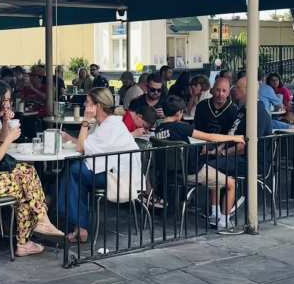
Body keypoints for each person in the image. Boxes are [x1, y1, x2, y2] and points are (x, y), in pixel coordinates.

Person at [0, 80, 63, 256]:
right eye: (7, 99)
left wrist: (5, 122)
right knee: (27, 175)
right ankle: (29, 235)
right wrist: (11, 137)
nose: (9, 103)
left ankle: (35, 230)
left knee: (25, 178)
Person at [58, 88, 140, 243]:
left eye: (88, 102)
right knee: (74, 171)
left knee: (74, 171)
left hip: (119, 177)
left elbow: (82, 148)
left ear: (99, 105)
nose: (84, 104)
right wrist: (71, 138)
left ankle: (74, 222)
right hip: (110, 169)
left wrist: (85, 122)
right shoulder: (104, 123)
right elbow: (88, 145)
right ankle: (79, 226)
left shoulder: (111, 125)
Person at [153, 96, 245, 227]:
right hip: (191, 171)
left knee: (215, 174)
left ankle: (215, 214)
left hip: (170, 173)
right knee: (231, 183)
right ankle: (225, 222)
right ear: (179, 113)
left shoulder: (158, 129)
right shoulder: (180, 127)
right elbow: (210, 137)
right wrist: (233, 138)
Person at [207, 76, 272, 180]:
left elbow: (245, 146)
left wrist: (223, 153)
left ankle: (225, 194)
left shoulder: (258, 113)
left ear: (247, 90)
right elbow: (232, 133)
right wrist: (219, 149)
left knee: (207, 168)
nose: (234, 89)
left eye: (238, 87)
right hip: (235, 156)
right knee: (201, 161)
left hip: (249, 161)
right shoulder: (243, 110)